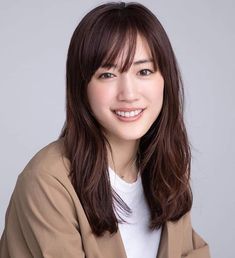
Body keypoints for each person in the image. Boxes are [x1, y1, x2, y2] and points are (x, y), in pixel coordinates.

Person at [0, 1, 211, 258]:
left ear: (165, 80)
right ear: (82, 87)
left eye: (144, 71)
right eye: (107, 74)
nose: (129, 93)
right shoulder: (47, 181)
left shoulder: (165, 169)